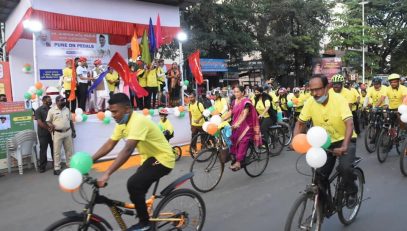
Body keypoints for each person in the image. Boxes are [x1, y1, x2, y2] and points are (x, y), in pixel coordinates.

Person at [92, 93, 174, 231]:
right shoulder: (122, 122)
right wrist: (90, 160)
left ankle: (145, 223)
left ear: (127, 109)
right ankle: (145, 213)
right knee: (136, 188)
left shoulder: (138, 121)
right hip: (149, 158)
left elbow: (128, 149)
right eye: (111, 111)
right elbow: (110, 144)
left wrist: (107, 173)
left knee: (134, 184)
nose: (112, 115)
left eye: (115, 111)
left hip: (163, 158)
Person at [293, 76, 358, 207]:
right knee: (319, 176)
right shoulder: (310, 102)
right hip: (324, 142)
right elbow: (300, 124)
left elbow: (349, 123)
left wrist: (345, 146)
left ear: (327, 87)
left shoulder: (339, 100)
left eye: (318, 90)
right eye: (312, 90)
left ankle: (352, 192)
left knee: (345, 168)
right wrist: (295, 140)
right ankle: (324, 205)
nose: (314, 94)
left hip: (344, 140)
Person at [223, 86, 262, 171]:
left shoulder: (246, 102)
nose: (236, 94)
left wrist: (238, 124)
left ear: (242, 92)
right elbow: (230, 112)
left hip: (246, 126)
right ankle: (235, 156)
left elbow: (244, 114)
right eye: (235, 92)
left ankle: (238, 162)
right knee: (232, 138)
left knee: (243, 141)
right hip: (236, 125)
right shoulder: (234, 101)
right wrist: (221, 119)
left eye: (237, 92)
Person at [46, 96, 76, 175]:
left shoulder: (67, 109)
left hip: (67, 132)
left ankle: (70, 165)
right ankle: (57, 168)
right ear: (57, 102)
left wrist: (73, 131)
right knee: (57, 152)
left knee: (69, 150)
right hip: (57, 133)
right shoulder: (51, 111)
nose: (63, 102)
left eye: (64, 100)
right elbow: (48, 121)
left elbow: (70, 121)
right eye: (62, 100)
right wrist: (50, 125)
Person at [35, 96, 54, 173]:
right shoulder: (38, 110)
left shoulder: (52, 109)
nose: (50, 102)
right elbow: (39, 122)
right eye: (48, 100)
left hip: (52, 132)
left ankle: (55, 164)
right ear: (43, 101)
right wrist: (48, 128)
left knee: (54, 148)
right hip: (43, 133)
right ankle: (42, 166)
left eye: (50, 100)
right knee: (43, 150)